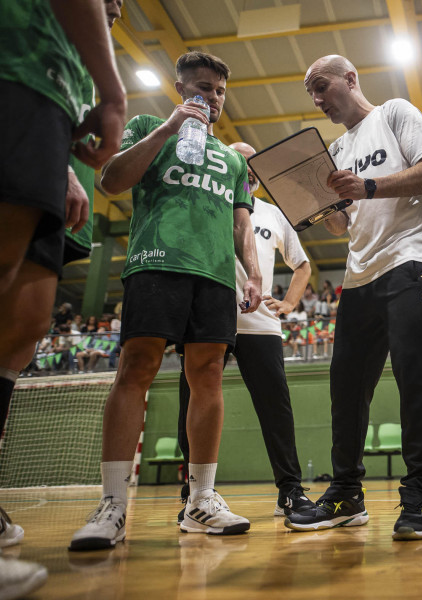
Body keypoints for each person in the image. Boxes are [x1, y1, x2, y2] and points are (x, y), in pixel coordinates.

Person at [69, 50, 262, 551]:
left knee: (209, 377)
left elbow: (243, 222)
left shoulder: (235, 159)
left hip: (215, 275)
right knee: (136, 368)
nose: (211, 97)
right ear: (181, 88)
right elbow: (111, 180)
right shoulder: (149, 125)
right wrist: (169, 129)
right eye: (201, 87)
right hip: (156, 261)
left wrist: (255, 273)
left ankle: (201, 499)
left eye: (218, 90)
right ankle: (113, 504)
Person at [285, 54, 422, 541]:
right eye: (310, 92)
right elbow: (342, 223)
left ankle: (420, 496)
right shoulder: (334, 148)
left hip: (411, 262)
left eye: (322, 86)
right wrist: (316, 204)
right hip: (359, 276)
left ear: (350, 79)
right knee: (346, 389)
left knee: (415, 379)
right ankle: (347, 494)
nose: (317, 98)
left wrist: (368, 185)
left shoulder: (395, 112)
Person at [0, 0, 125, 594]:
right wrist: (114, 92)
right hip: (16, 69)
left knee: (23, 324)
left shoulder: (74, 47)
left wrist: (65, 166)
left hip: (48, 104)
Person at [175, 141, 315, 522]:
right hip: (206, 319)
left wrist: (287, 303)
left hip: (261, 324)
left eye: (253, 161)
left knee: (276, 410)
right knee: (190, 405)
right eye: (241, 160)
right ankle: (193, 495)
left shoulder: (273, 213)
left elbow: (303, 266)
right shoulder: (206, 202)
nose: (248, 167)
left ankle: (290, 491)